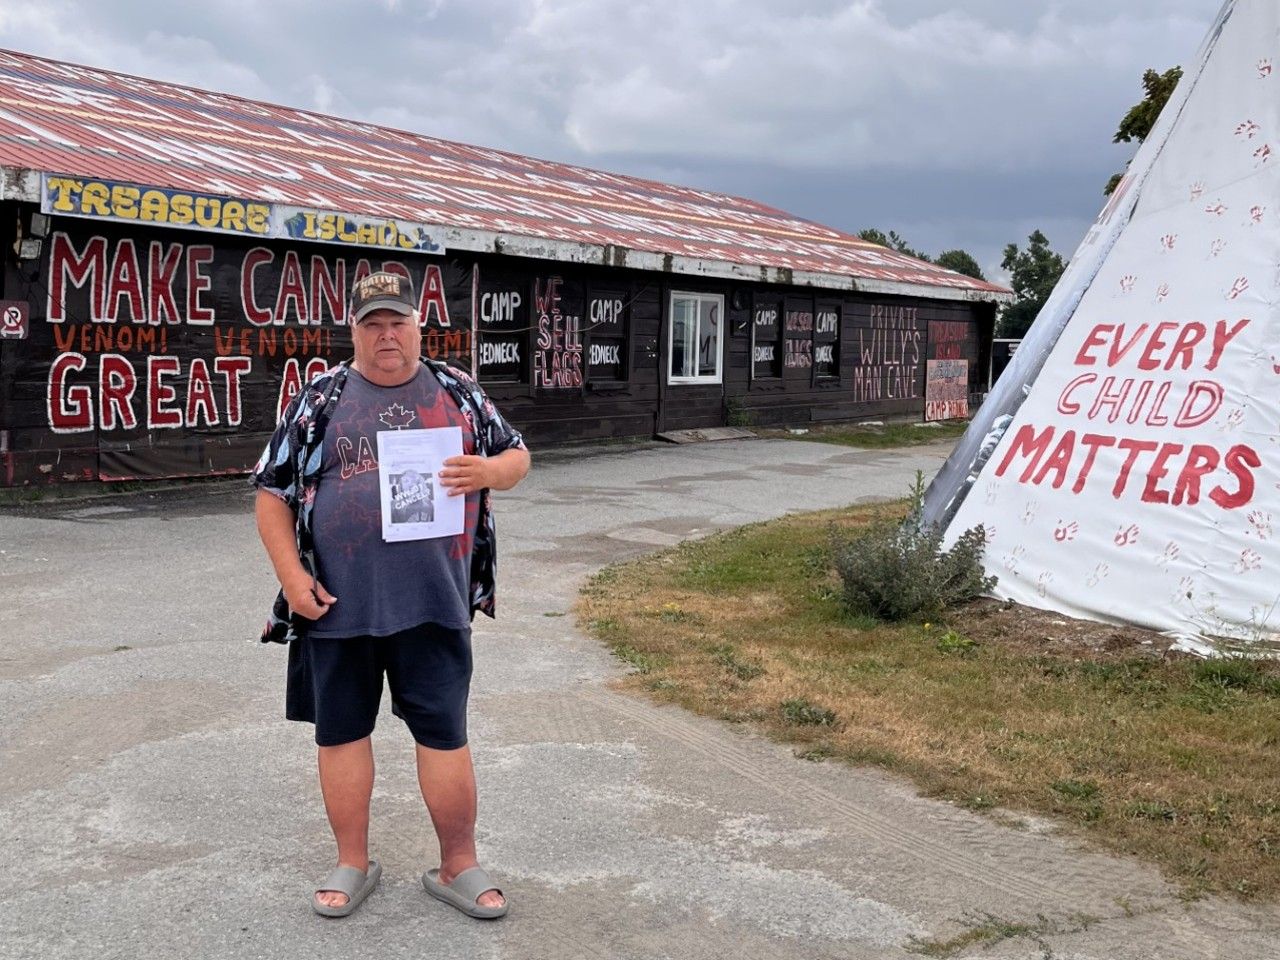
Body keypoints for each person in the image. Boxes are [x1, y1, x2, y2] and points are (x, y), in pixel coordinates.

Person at [250, 270, 531, 919]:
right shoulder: (320, 397)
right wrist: (294, 582)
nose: (385, 335)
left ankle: (459, 864)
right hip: (336, 606)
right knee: (341, 733)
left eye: (396, 321)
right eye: (371, 323)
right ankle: (352, 861)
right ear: (353, 329)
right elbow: (271, 492)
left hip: (433, 603)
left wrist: (488, 470)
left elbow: (516, 456)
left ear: (418, 325)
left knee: (444, 735)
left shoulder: (456, 392)